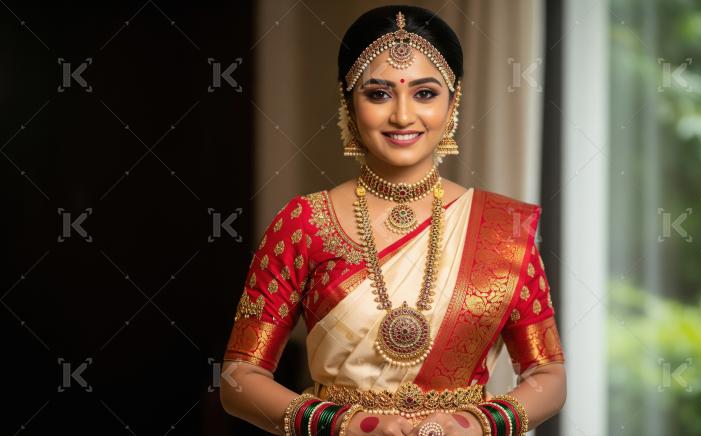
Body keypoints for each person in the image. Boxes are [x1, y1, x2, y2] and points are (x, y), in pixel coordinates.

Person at [219, 5, 566, 435]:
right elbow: (239, 381)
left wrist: (475, 425)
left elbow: (547, 376)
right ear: (348, 100)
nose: (402, 115)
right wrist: (352, 426)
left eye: (425, 93)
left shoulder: (502, 229)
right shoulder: (303, 223)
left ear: (453, 100)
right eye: (378, 94)